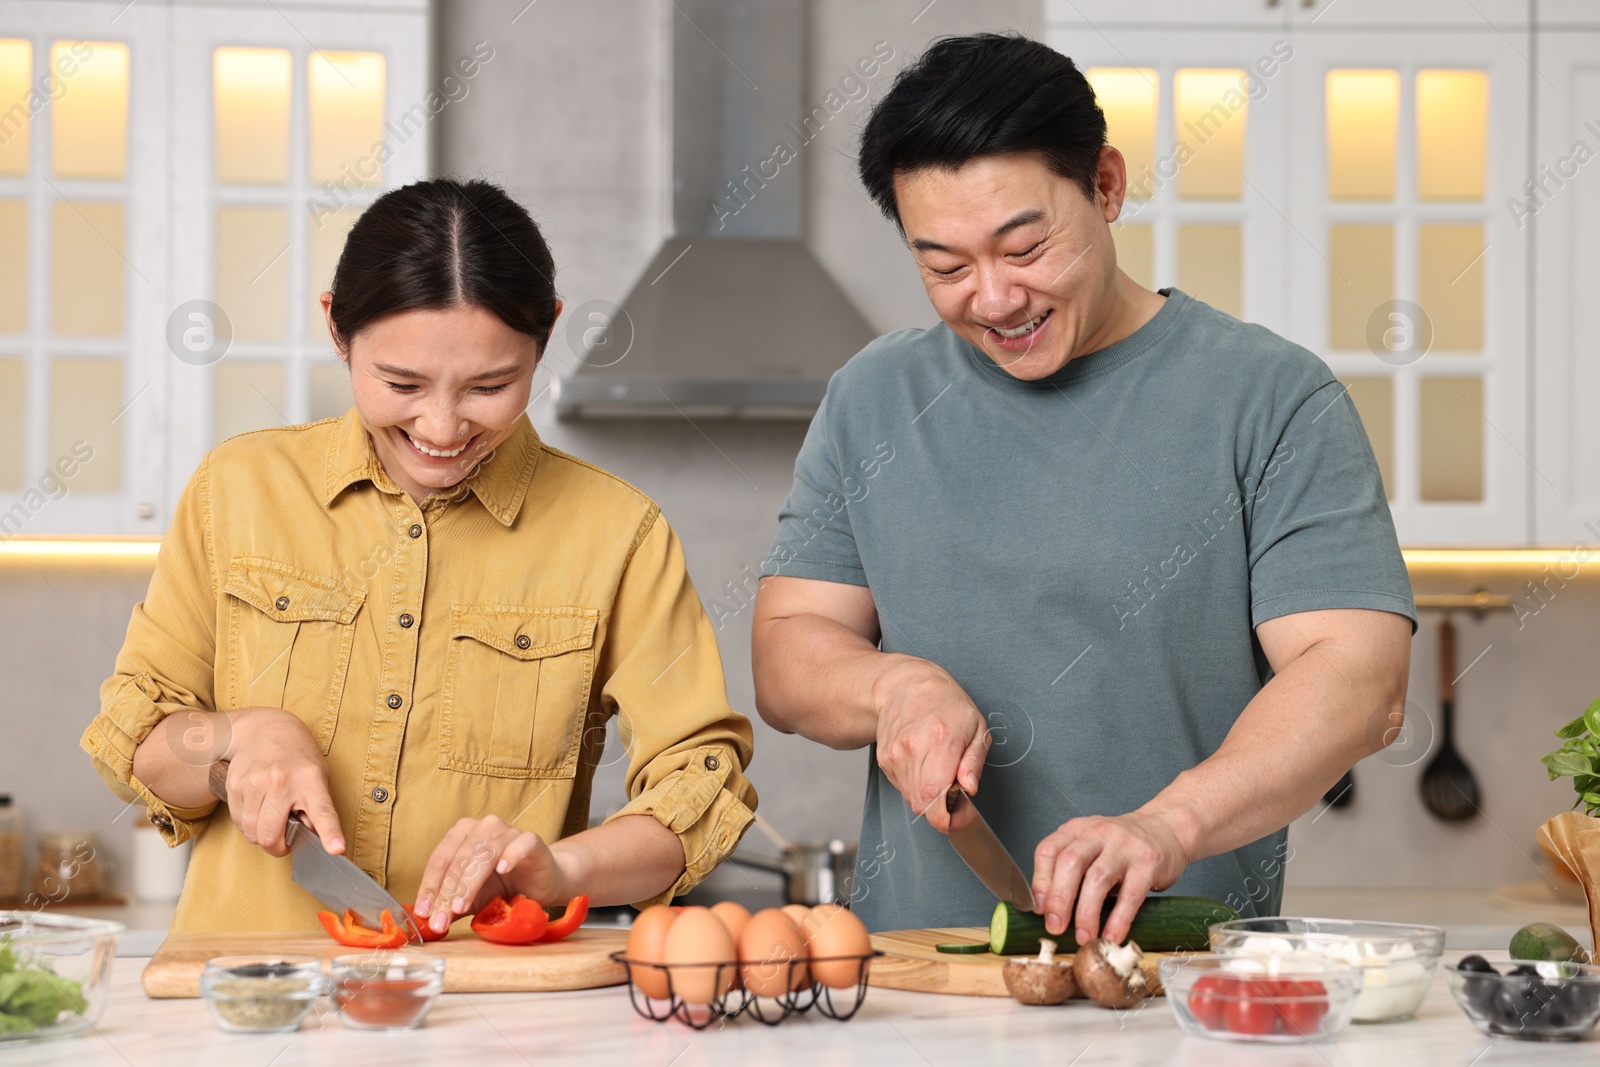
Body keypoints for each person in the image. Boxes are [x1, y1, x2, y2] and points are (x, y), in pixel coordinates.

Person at [752, 33, 1414, 942]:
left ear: (1105, 186)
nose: (992, 298)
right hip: (915, 985)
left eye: (1024, 247)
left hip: (1182, 984)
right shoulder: (874, 397)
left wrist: (1167, 824)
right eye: (943, 265)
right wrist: (890, 688)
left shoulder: (1271, 398)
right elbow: (789, 651)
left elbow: (1358, 676)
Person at [81, 178, 756, 933]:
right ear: (337, 327)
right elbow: (139, 738)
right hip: (253, 1007)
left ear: (547, 333)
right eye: (400, 382)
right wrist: (240, 739)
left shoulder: (619, 534)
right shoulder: (237, 490)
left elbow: (700, 786)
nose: (441, 425)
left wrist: (565, 868)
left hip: (483, 1022)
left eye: (491, 385)